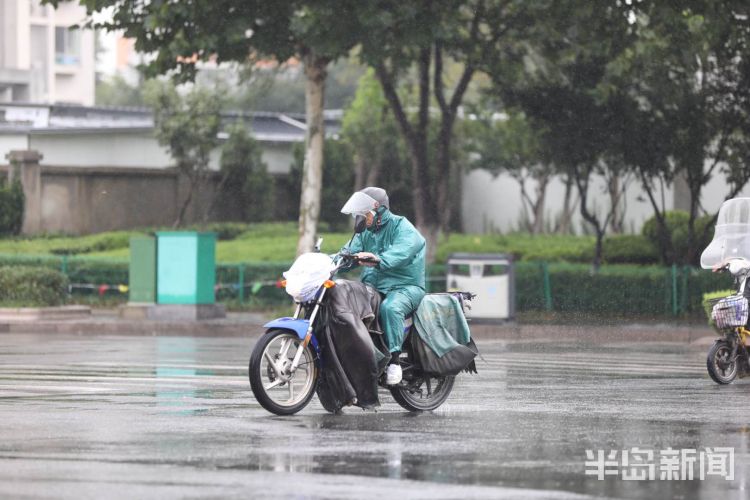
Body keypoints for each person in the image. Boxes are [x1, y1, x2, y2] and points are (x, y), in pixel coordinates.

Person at [340, 187, 426, 385]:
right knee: (350, 303)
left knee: (391, 307)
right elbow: (347, 252)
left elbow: (405, 250)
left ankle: (395, 362)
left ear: (378, 209)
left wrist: (379, 259)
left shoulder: (402, 226)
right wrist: (327, 262)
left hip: (406, 287)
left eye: (364, 214)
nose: (361, 219)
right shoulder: (365, 233)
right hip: (374, 286)